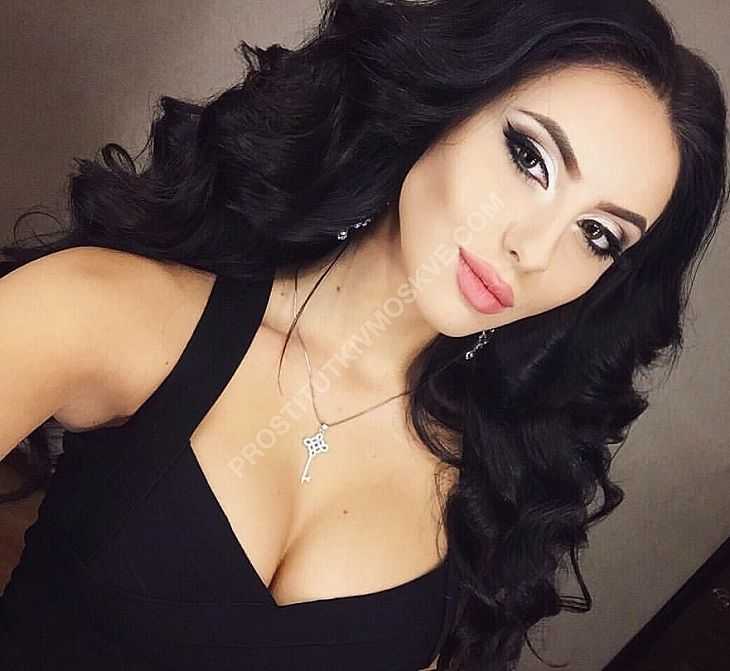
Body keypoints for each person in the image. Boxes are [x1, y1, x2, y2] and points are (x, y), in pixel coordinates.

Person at [0, 0, 727, 669]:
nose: (533, 250)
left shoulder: (492, 499)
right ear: (445, 97)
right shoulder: (110, 308)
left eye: (597, 235)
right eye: (529, 157)